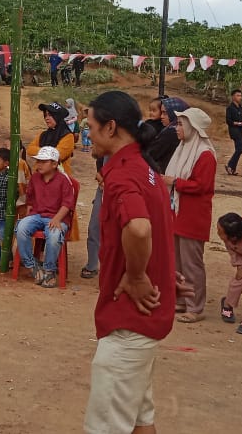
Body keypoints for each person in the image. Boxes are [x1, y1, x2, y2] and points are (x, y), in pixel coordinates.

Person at [82, 90, 176, 434]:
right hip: (145, 321)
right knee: (140, 419)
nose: (87, 135)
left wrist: (136, 276)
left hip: (128, 321)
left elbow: (139, 228)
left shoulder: (122, 174)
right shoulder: (145, 167)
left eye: (90, 127)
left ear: (110, 128)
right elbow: (157, 228)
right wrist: (162, 272)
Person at [161, 107, 216, 323]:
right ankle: (181, 300)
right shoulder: (184, 148)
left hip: (193, 215)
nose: (177, 128)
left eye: (181, 124)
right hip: (178, 212)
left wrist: (175, 182)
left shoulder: (205, 154)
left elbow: (202, 185)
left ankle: (195, 307)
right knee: (177, 262)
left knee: (191, 263)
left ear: (193, 128)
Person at [15, 146, 76, 289]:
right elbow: (30, 198)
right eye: (38, 161)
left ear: (54, 164)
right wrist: (29, 212)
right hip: (38, 214)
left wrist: (57, 219)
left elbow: (67, 204)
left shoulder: (63, 180)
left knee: (54, 236)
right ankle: (32, 266)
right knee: (21, 227)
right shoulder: (35, 178)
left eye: (43, 162)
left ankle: (49, 270)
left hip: (57, 217)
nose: (39, 165)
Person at [26, 101, 75, 175]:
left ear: (57, 116)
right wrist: (49, 151)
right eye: (45, 115)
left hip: (59, 177)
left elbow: (58, 155)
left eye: (50, 115)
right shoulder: (43, 135)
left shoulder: (68, 136)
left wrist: (41, 151)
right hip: (39, 175)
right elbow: (30, 149)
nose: (46, 118)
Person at [80, 156, 107, 280]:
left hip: (125, 189)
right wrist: (100, 177)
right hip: (103, 188)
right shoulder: (106, 150)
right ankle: (92, 265)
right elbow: (100, 161)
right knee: (94, 227)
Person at [145, 96, 188, 172]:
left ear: (174, 113)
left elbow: (152, 154)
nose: (161, 117)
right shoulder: (186, 128)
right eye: (161, 113)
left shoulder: (171, 132)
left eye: (165, 113)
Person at [224, 89, 242, 176]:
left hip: (240, 130)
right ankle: (230, 166)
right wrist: (240, 123)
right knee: (240, 148)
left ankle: (232, 169)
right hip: (234, 130)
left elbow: (240, 120)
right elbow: (229, 121)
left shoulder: (240, 107)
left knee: (239, 149)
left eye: (240, 96)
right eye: (238, 95)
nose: (240, 97)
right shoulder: (230, 108)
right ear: (233, 97)